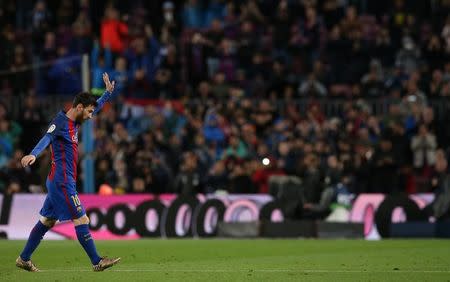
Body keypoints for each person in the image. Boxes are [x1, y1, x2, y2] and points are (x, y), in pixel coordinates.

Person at [16, 73, 120, 272]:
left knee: (46, 221)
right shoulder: (61, 123)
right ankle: (97, 261)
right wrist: (33, 154)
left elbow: (95, 105)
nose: (92, 115)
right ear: (79, 108)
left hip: (60, 180)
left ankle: (24, 258)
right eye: (89, 111)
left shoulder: (77, 120)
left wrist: (107, 94)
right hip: (62, 182)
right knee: (81, 219)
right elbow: (46, 138)